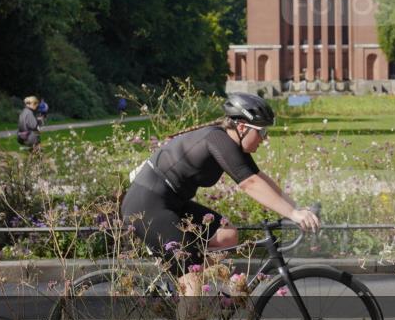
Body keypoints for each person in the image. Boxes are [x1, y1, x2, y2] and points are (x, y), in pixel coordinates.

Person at [121, 92, 320, 280]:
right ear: (242, 127)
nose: (265, 138)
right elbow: (250, 184)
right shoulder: (218, 141)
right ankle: (191, 297)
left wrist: (296, 209)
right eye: (262, 131)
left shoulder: (231, 144)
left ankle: (199, 294)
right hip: (146, 206)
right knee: (192, 277)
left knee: (227, 235)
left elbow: (259, 178)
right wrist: (293, 215)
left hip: (172, 204)